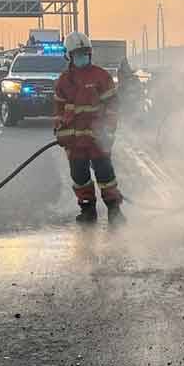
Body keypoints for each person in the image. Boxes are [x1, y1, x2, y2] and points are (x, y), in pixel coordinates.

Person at [54, 32, 124, 224]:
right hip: (76, 143)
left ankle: (114, 211)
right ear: (69, 56)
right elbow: (59, 111)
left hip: (97, 139)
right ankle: (87, 211)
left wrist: (108, 131)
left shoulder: (101, 76)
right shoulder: (63, 82)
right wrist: (60, 132)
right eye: (78, 54)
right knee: (79, 177)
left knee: (105, 175)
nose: (82, 57)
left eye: (85, 53)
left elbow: (112, 106)